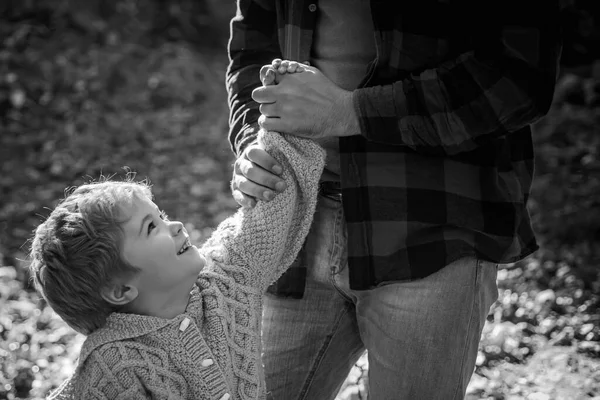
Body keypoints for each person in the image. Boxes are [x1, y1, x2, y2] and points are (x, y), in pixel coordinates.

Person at [226, 1, 563, 399]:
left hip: (432, 225)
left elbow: (516, 77)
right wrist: (251, 140)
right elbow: (253, 47)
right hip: (293, 223)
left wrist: (352, 112)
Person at [29, 115, 325, 400]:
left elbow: (264, 220)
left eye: (162, 215)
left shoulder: (226, 282)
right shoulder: (114, 367)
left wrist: (282, 117)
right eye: (151, 227)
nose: (175, 225)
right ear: (120, 290)